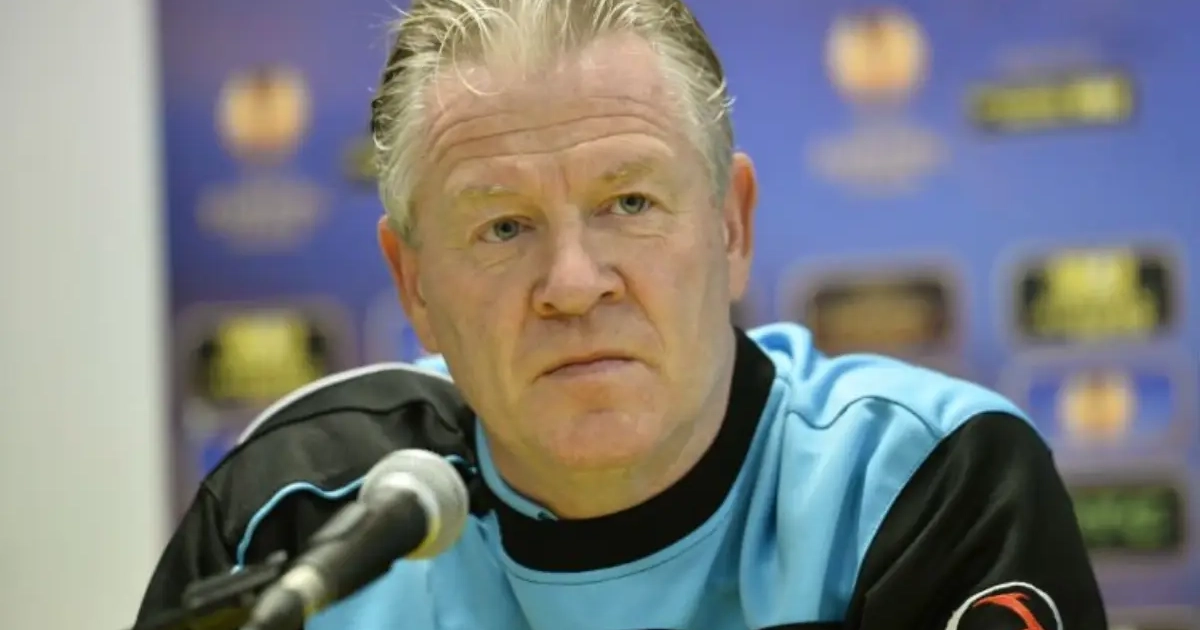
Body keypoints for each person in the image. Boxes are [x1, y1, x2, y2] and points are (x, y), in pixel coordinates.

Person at [136, 1, 1107, 628]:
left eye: (628, 203)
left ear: (731, 226)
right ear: (414, 284)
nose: (572, 282)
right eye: (503, 226)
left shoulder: (921, 483)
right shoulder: (297, 516)